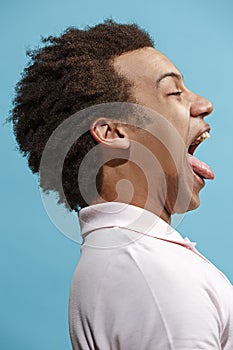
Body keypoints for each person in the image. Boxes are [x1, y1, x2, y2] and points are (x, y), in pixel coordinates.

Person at [11, 20, 233, 349]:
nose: (203, 104)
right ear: (114, 132)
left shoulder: (128, 260)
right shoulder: (155, 274)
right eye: (174, 92)